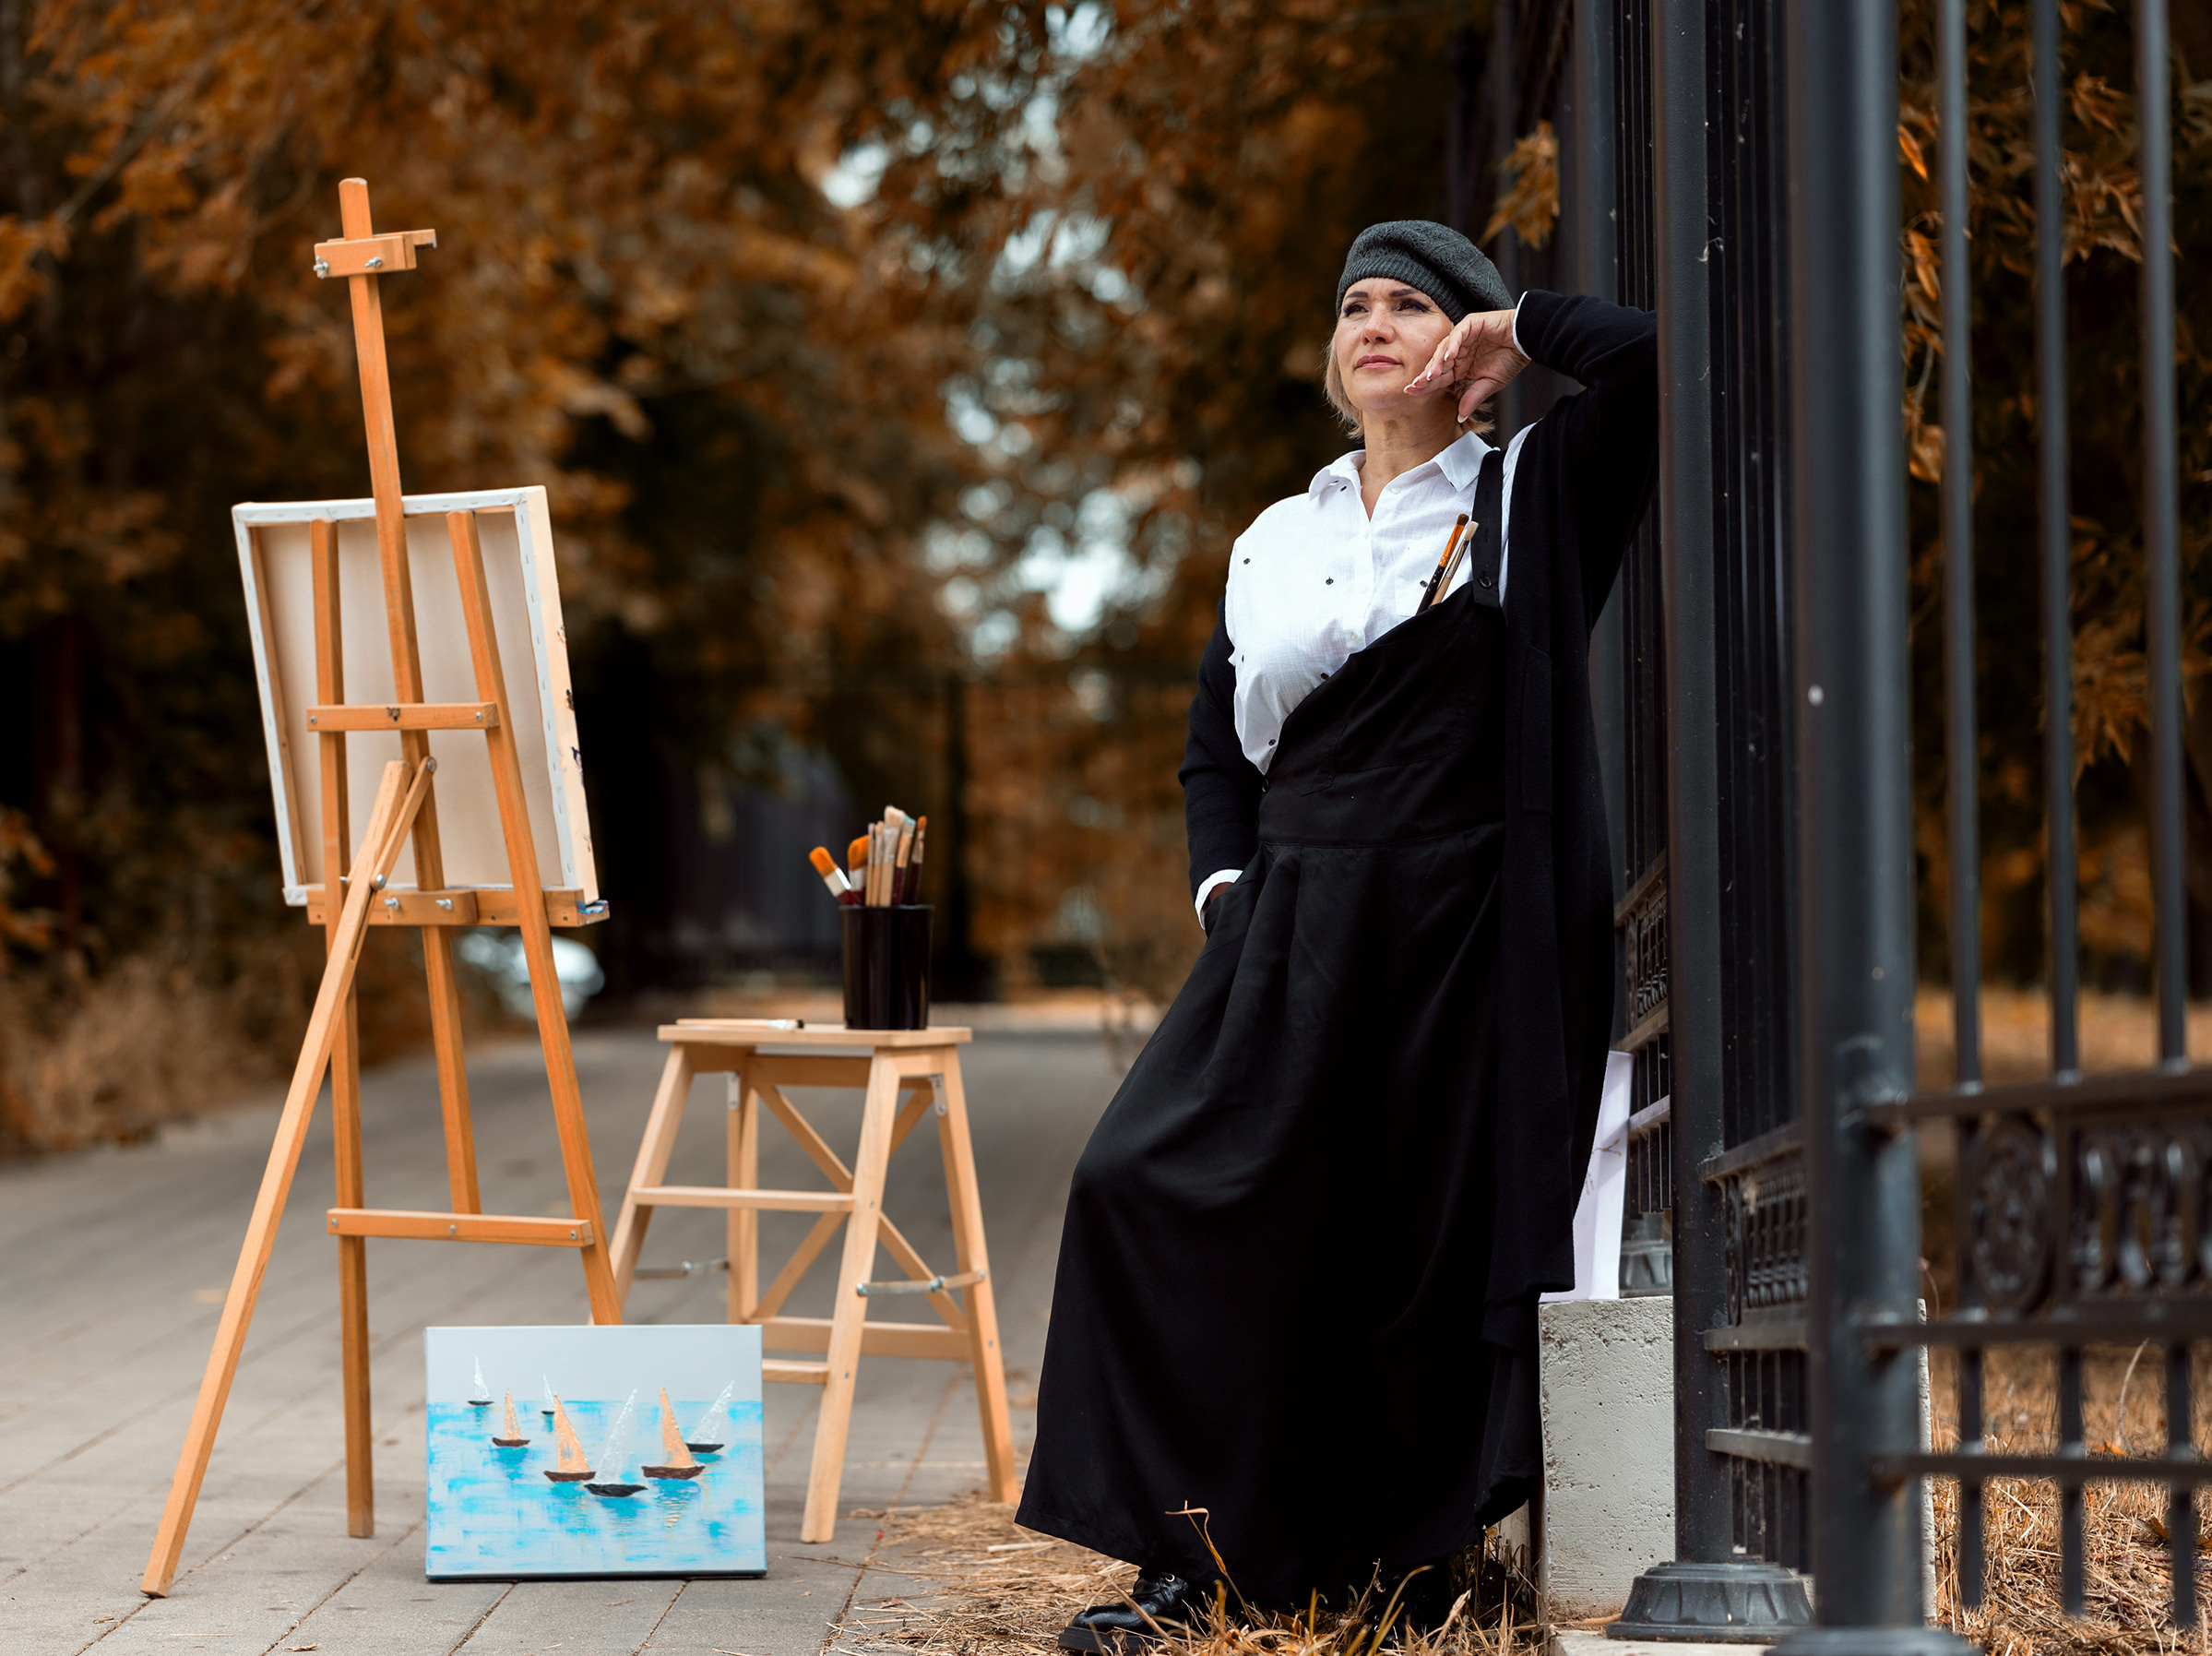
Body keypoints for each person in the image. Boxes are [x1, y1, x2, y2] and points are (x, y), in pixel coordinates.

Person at [1014, 220, 1659, 1649]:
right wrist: (1225, 892)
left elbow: (1662, 366)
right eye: (1353, 303)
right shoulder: (1275, 535)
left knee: (1409, 1240)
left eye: (1410, 306)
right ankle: (1191, 1556)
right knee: (1148, 1184)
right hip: (1293, 914)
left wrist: (1522, 329)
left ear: (1464, 353)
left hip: (1466, 921)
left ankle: (1394, 1558)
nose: (1372, 321)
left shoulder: (1533, 493)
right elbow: (1215, 750)